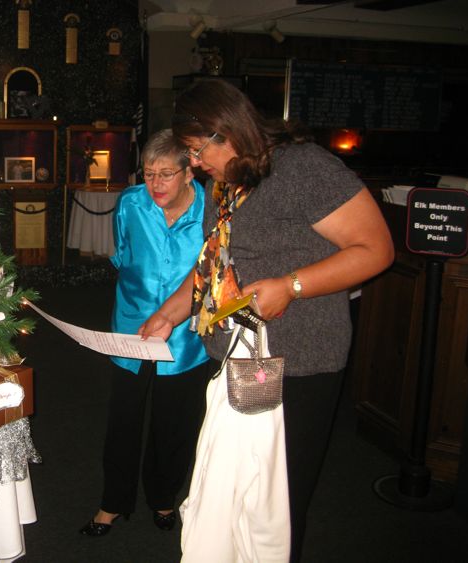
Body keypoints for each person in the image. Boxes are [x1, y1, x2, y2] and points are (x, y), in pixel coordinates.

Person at [139, 81, 394, 561]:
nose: (193, 164)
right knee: (232, 496)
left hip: (298, 363)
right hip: (237, 358)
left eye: (196, 151)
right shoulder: (228, 180)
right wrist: (168, 315)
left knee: (276, 508)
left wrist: (291, 285)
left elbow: (376, 250)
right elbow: (212, 264)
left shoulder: (305, 168)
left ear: (225, 132)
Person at [79, 129, 210, 537]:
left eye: (166, 174)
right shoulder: (130, 203)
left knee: (176, 422)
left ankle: (164, 497)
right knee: (123, 419)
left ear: (190, 173)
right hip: (132, 330)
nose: (154, 184)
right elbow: (122, 255)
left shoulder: (212, 210)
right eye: (149, 173)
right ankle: (112, 503)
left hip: (187, 336)